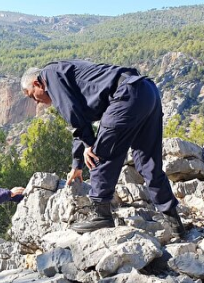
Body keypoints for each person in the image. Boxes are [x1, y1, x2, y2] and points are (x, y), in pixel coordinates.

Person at [21, 60, 185, 236]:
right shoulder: (61, 73)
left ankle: (100, 214)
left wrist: (91, 144)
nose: (37, 102)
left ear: (37, 84)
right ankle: (173, 220)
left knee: (99, 155)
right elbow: (79, 119)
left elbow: (72, 113)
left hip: (126, 94)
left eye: (32, 96)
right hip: (146, 90)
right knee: (148, 161)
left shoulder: (49, 75)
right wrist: (77, 165)